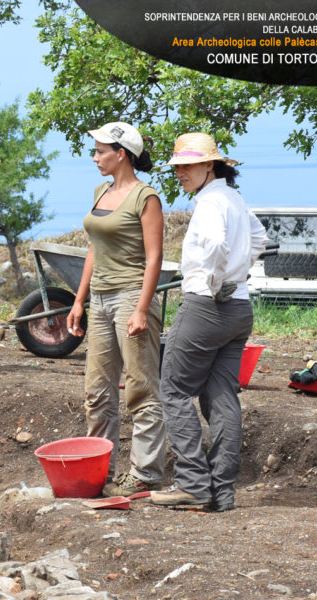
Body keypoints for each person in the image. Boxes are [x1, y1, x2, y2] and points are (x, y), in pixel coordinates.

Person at [149, 133, 267, 512]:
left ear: (209, 166)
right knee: (220, 396)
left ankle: (192, 484)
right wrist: (238, 276)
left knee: (173, 390)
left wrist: (215, 281)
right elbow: (260, 238)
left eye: (187, 165)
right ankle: (223, 491)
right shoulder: (234, 198)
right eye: (177, 166)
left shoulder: (210, 202)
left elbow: (216, 245)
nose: (180, 172)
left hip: (207, 304)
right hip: (239, 309)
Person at [66, 122, 167, 497]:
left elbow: (155, 258)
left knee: (140, 388)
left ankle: (146, 475)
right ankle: (100, 469)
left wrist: (141, 310)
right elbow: (94, 248)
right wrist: (79, 300)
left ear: (121, 153)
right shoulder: (101, 191)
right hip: (102, 297)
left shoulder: (146, 198)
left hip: (130, 297)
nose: (95, 158)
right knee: (97, 390)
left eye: (100, 151)